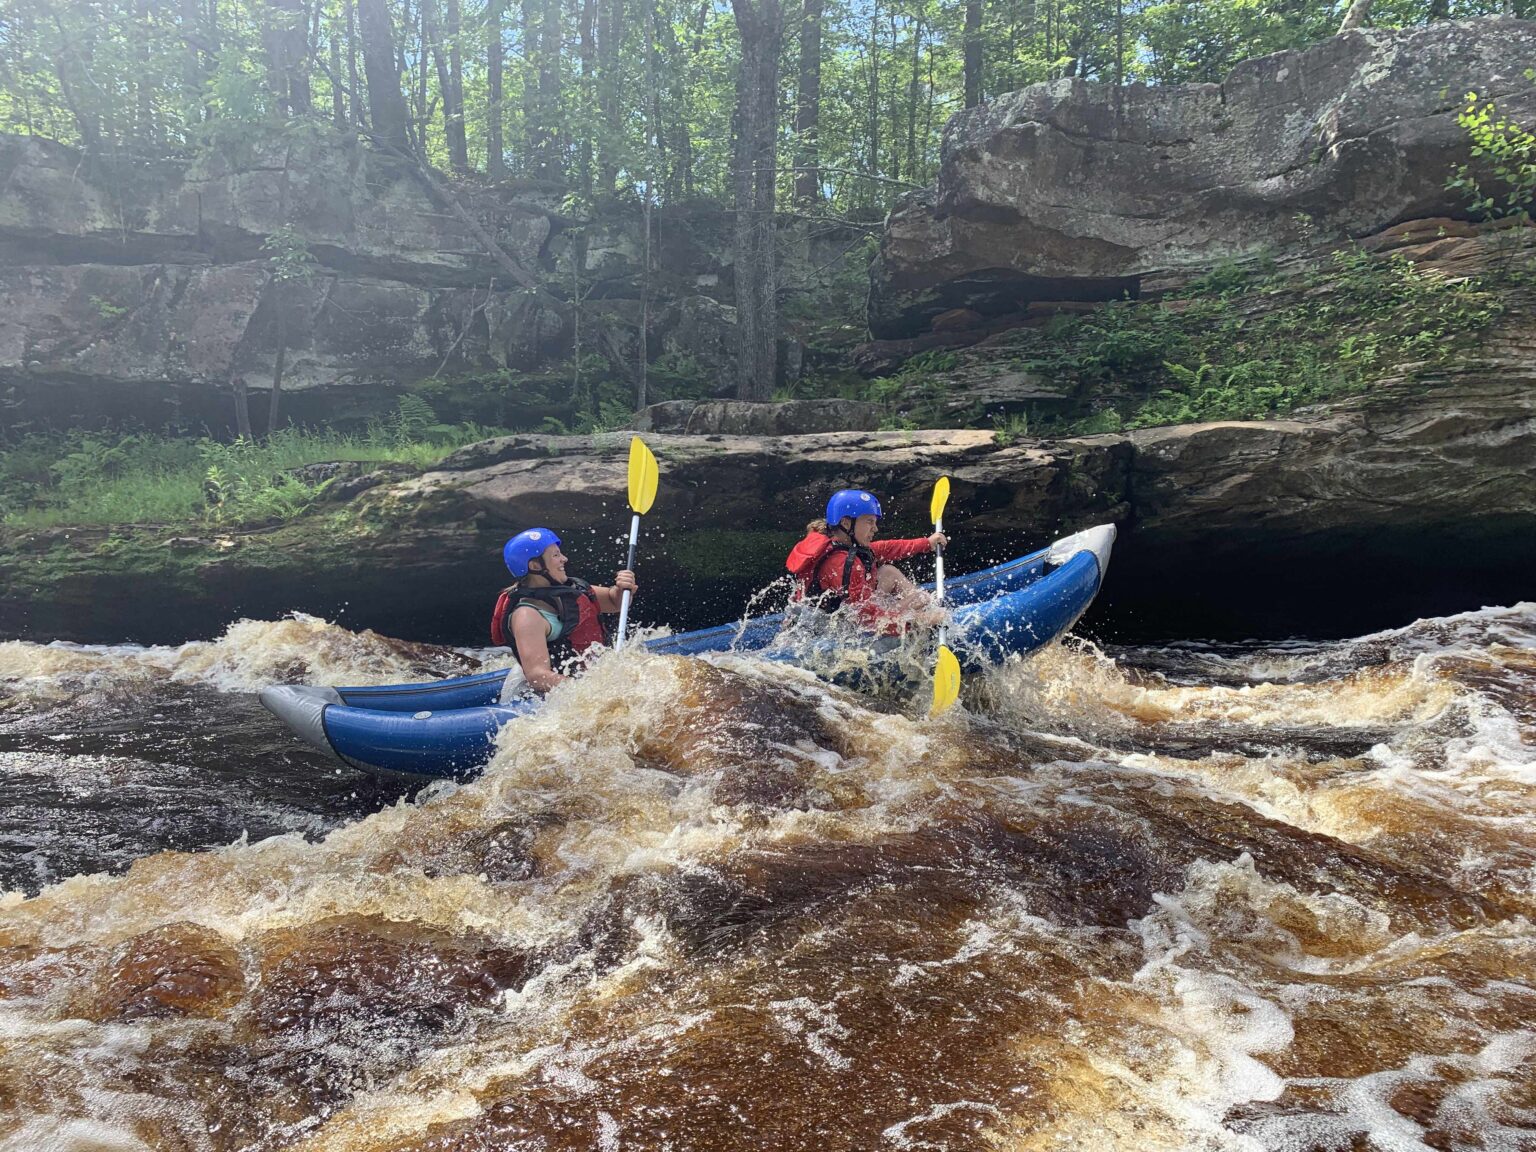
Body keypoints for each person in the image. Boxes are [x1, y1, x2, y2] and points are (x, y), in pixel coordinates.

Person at [490, 527, 638, 694]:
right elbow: (538, 676)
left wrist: (622, 589)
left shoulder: (571, 591)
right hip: (553, 692)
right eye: (556, 555)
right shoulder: (527, 615)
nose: (564, 559)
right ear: (535, 566)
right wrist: (593, 689)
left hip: (586, 681)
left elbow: (614, 602)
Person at [784, 489, 948, 634]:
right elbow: (867, 620)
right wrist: (920, 621)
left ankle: (924, 609)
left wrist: (927, 543)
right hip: (826, 633)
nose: (875, 528)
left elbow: (885, 548)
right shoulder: (843, 564)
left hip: (841, 616)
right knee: (920, 598)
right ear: (846, 523)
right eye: (869, 521)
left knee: (889, 573)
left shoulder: (839, 542)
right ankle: (925, 614)